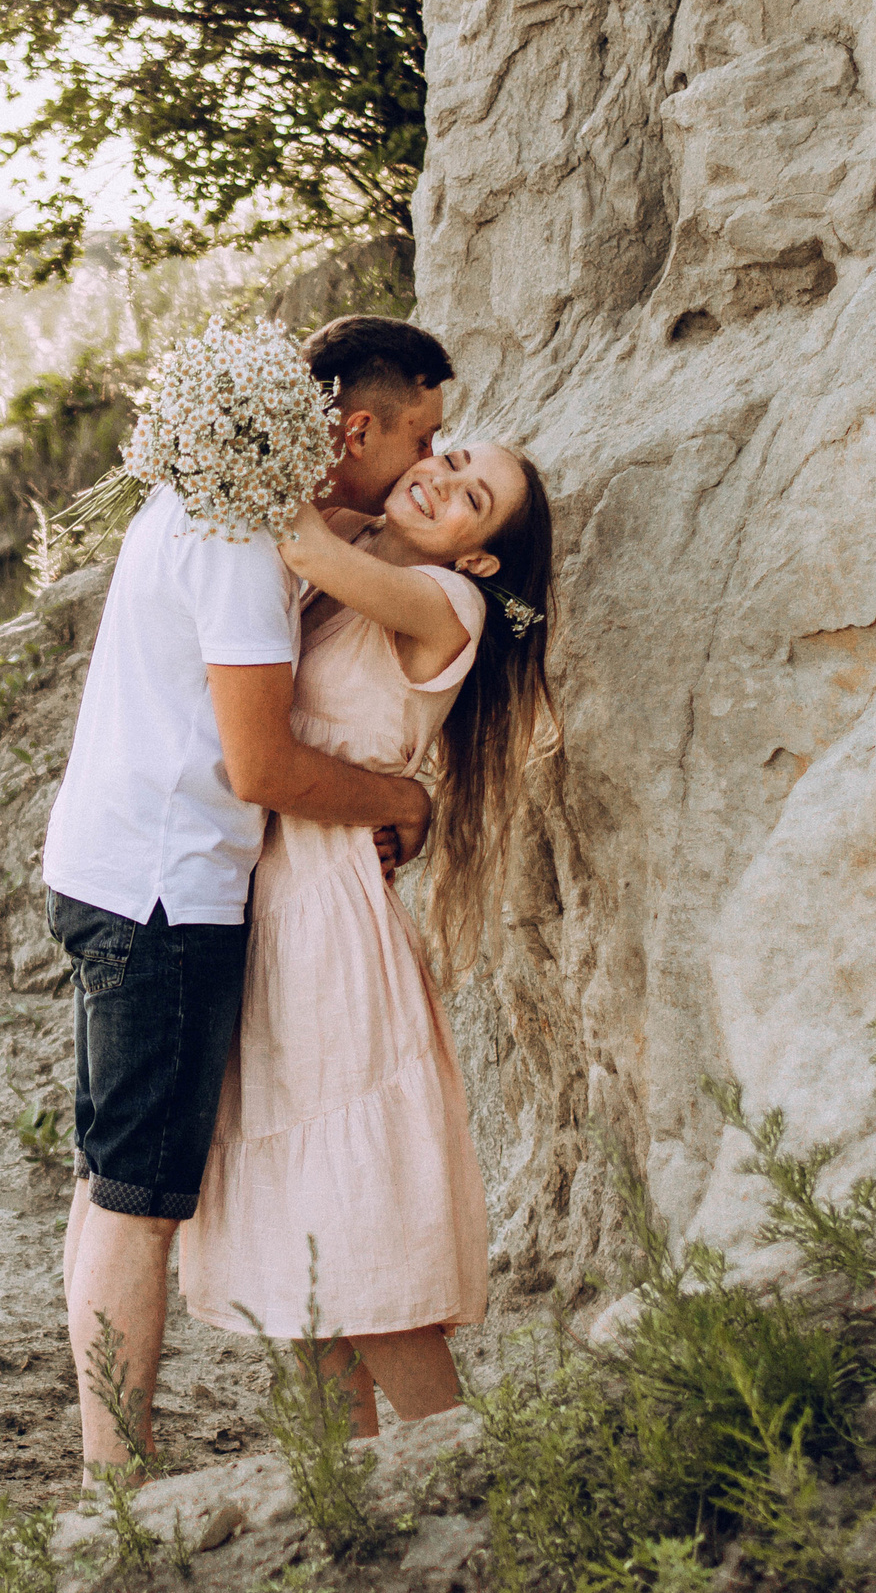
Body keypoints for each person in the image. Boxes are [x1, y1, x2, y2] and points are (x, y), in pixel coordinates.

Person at [40, 315, 457, 1478]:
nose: (431, 455)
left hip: (108, 866)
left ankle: (105, 1471)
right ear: (357, 427)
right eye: (422, 432)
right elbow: (259, 768)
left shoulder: (214, 501)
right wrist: (398, 799)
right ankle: (114, 1485)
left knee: (108, 1178)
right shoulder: (234, 540)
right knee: (139, 1200)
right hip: (164, 895)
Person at [176, 408, 557, 1432]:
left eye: (468, 496)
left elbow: (288, 531)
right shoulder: (348, 563)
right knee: (302, 1278)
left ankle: (477, 1476)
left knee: (354, 1230)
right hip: (263, 894)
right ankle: (341, 1517)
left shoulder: (448, 604)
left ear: (475, 553)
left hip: (325, 912)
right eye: (448, 458)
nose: (438, 478)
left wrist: (234, 418)